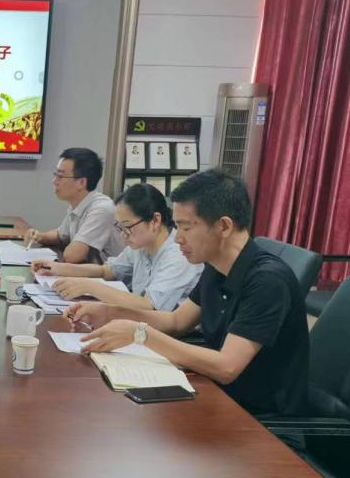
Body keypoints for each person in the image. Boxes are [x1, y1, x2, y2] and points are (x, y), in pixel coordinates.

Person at [68, 169, 309, 417]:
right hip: (216, 393)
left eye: (185, 228)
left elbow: (227, 367)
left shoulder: (267, 281)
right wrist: (111, 313)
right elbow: (176, 321)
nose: (178, 239)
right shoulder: (217, 267)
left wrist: (139, 334)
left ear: (224, 226)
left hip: (255, 417)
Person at [32, 182, 201, 311]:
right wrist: (58, 268)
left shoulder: (178, 255)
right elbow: (107, 271)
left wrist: (91, 287)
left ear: (155, 221)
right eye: (120, 228)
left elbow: (149, 306)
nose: (123, 235)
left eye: (127, 227)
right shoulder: (142, 245)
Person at [22, 147, 124, 264]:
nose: (54, 181)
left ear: (81, 182)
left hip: (112, 275)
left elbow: (72, 256)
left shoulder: (102, 209)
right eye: (55, 175)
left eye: (60, 176)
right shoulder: (78, 204)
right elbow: (61, 235)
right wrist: (39, 236)